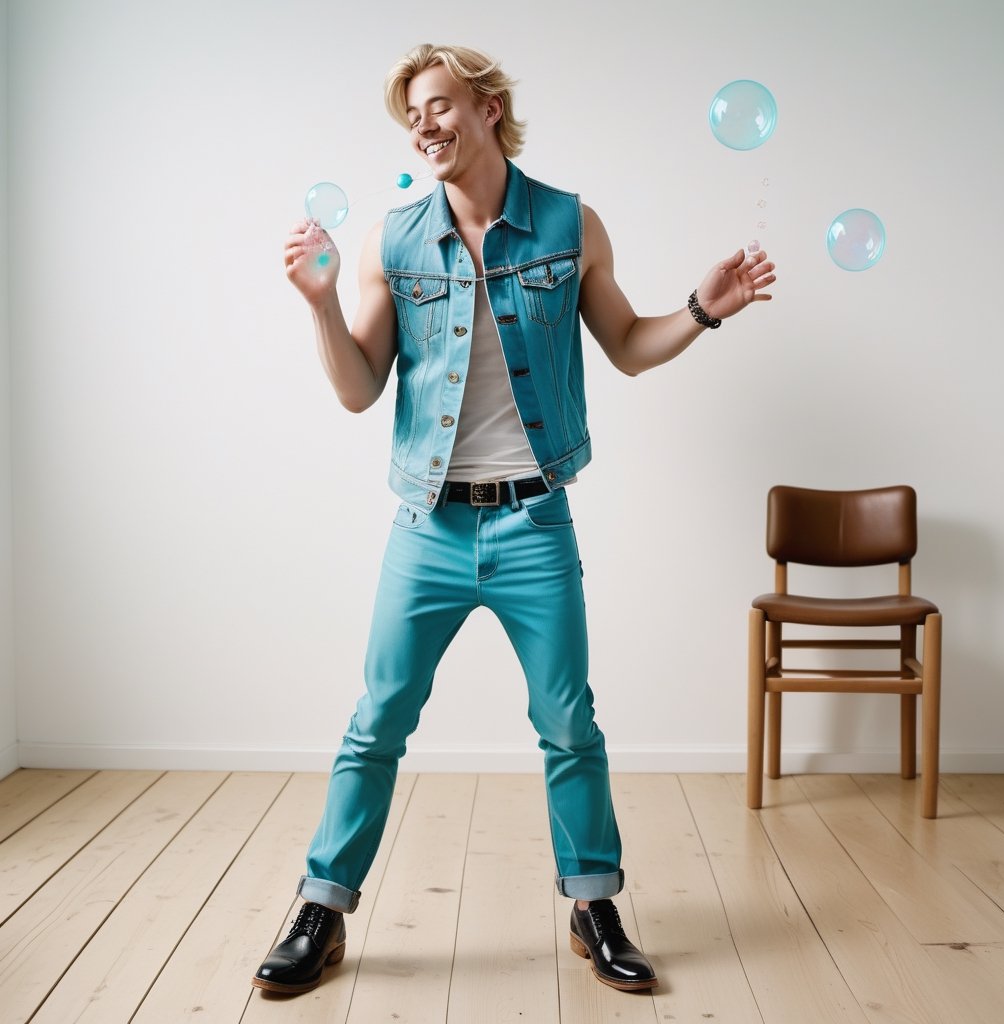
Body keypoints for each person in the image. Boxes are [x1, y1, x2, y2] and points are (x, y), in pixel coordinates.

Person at [254, 43, 776, 997]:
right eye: (412, 114)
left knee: (568, 723)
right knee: (375, 722)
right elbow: (358, 391)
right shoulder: (393, 239)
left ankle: (594, 904)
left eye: (440, 105)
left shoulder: (570, 226)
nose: (424, 126)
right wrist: (322, 305)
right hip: (430, 528)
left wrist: (705, 308)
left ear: (489, 108)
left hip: (535, 525)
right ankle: (322, 908)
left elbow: (626, 345)